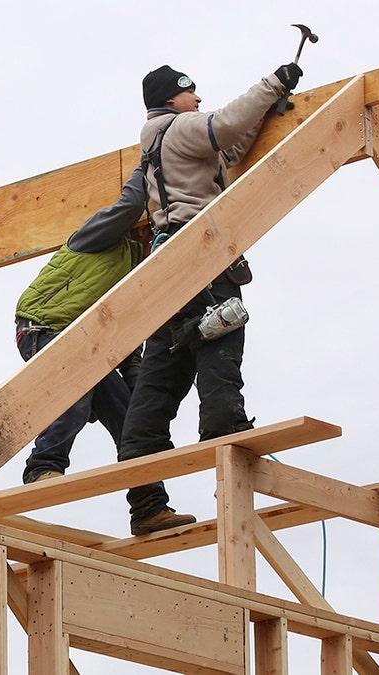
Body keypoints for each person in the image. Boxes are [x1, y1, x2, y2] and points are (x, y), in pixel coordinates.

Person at [118, 62, 303, 536]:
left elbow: (233, 146)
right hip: (199, 252)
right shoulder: (178, 128)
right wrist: (273, 84)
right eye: (190, 92)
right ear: (169, 98)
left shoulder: (160, 139)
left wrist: (267, 111)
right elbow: (225, 124)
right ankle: (226, 441)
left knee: (161, 372)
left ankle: (146, 503)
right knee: (221, 338)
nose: (197, 99)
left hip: (167, 266)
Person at [14, 164, 149, 484]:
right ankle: (42, 466)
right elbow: (129, 205)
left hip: (89, 347)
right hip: (44, 327)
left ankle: (148, 504)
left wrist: (136, 395)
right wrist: (148, 164)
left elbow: (129, 345)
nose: (149, 232)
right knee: (76, 391)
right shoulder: (100, 234)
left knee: (134, 424)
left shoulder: (138, 272)